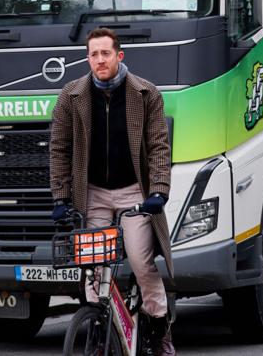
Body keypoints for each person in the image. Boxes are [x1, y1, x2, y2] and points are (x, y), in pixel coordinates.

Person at [49, 27, 174, 355]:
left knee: (140, 261)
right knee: (93, 267)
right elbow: (59, 149)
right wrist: (61, 197)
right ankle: (98, 327)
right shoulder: (71, 95)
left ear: (119, 56)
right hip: (93, 193)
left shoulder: (146, 93)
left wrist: (158, 192)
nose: (99, 60)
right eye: (93, 54)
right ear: (87, 58)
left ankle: (159, 329)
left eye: (106, 53)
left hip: (133, 191)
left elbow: (159, 146)